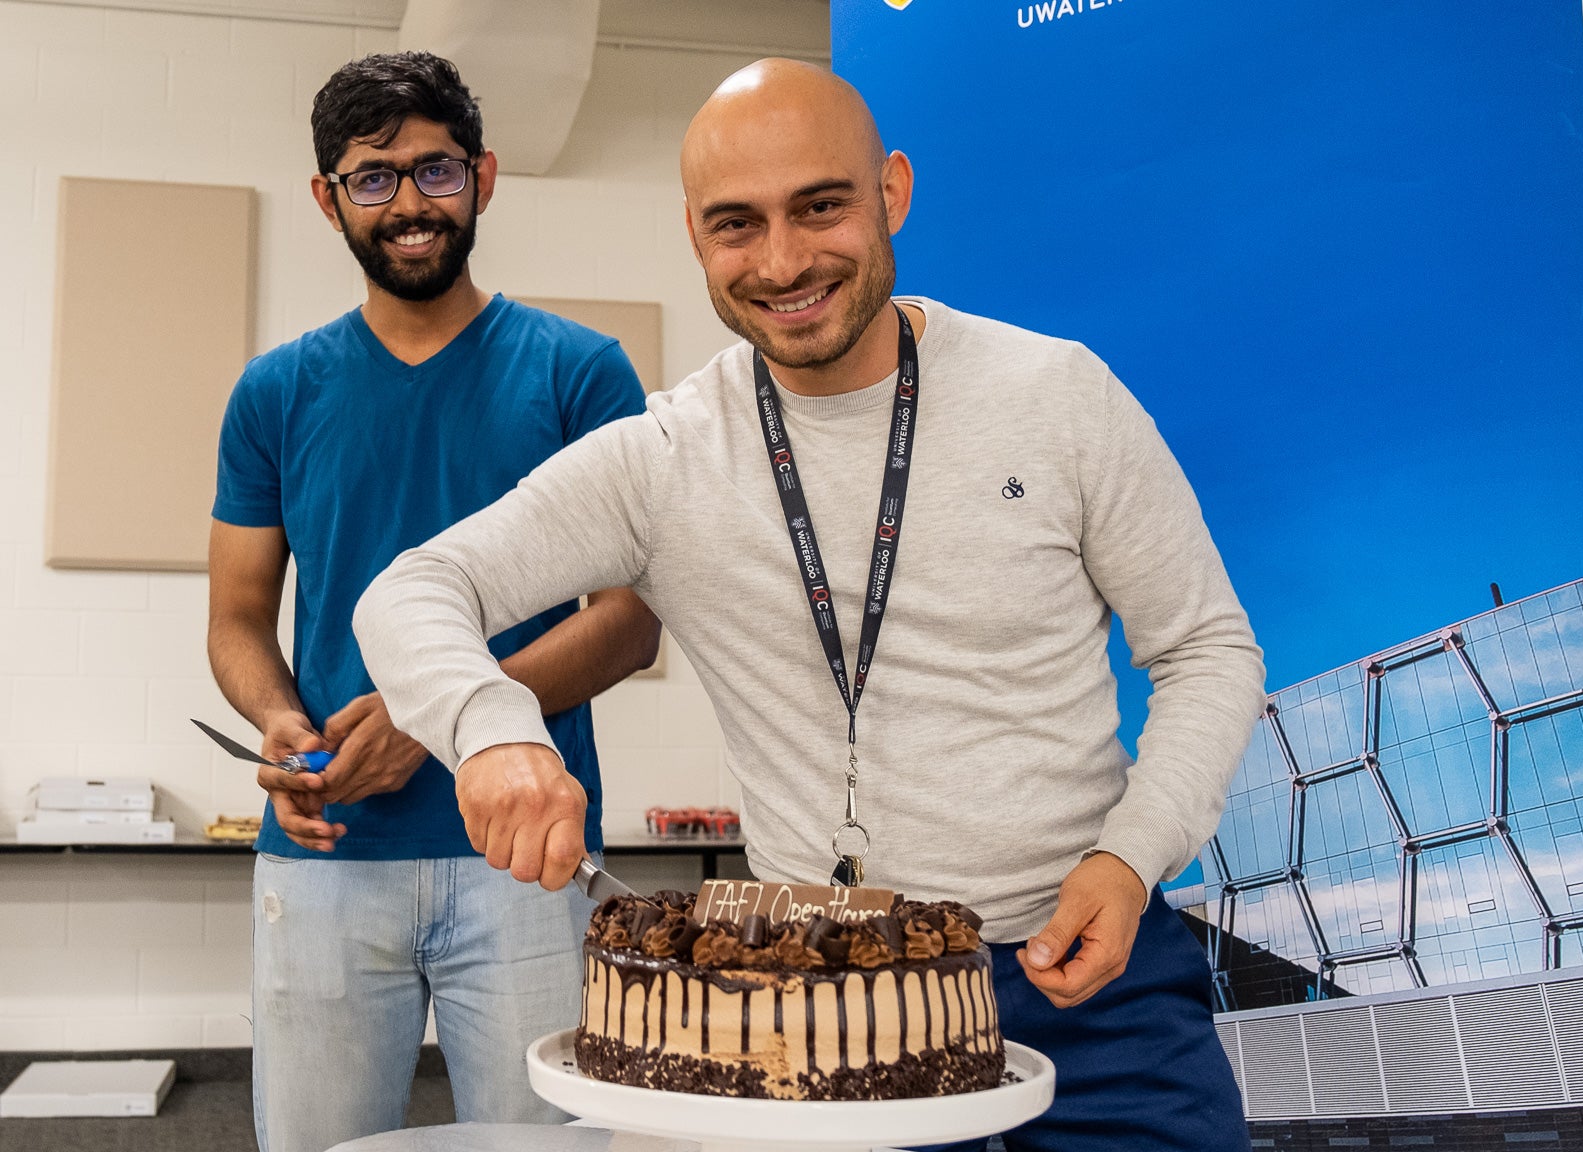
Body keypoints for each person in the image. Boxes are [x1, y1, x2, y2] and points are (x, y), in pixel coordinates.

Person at [352, 58, 1265, 1151]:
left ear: (891, 192)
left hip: (1090, 984)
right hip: (815, 1014)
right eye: (736, 224)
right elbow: (412, 593)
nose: (782, 262)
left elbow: (1206, 649)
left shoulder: (1056, 395)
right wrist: (494, 736)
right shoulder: (665, 456)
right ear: (694, 236)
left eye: (819, 207)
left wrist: (1131, 858)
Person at [206, 52, 661, 1152]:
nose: (408, 204)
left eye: (435, 171)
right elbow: (235, 621)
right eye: (372, 178)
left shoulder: (579, 373)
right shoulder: (274, 392)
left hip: (525, 856)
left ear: (484, 178)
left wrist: (429, 719)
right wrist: (276, 719)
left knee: (544, 1144)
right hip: (323, 854)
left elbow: (630, 622)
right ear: (328, 200)